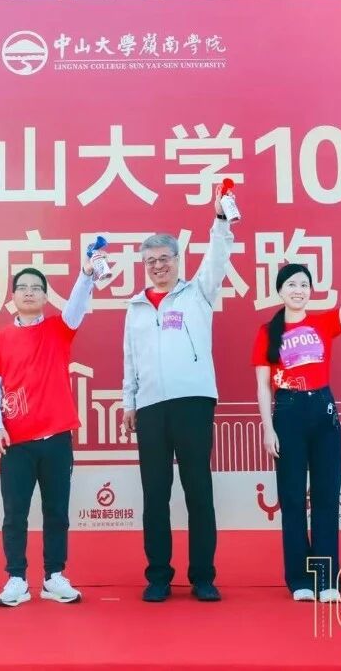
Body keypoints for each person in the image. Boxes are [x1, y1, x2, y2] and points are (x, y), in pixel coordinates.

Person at [122, 188, 233, 602]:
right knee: (155, 495)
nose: (158, 266)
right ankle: (158, 576)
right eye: (150, 261)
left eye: (164, 259)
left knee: (197, 491)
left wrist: (220, 221)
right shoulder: (135, 306)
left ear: (177, 260)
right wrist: (129, 401)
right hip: (151, 408)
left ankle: (203, 576)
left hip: (193, 403)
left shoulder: (198, 292)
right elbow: (130, 358)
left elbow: (217, 258)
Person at [0, 245, 106, 607]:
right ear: (13, 296)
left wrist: (86, 274)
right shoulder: (0, 339)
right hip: (16, 442)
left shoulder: (59, 329)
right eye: (23, 287)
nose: (29, 292)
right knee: (15, 513)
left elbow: (78, 305)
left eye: (36, 287)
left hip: (56, 439)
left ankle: (54, 576)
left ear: (46, 296)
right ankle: (16, 578)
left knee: (56, 512)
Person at [254, 250, 341, 602]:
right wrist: (267, 429)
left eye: (304, 285)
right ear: (280, 291)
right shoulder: (268, 332)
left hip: (323, 412)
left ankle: (327, 578)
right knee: (291, 499)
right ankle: (300, 580)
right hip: (287, 413)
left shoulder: (322, 323)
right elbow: (263, 386)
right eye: (292, 285)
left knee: (326, 498)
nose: (298, 290)